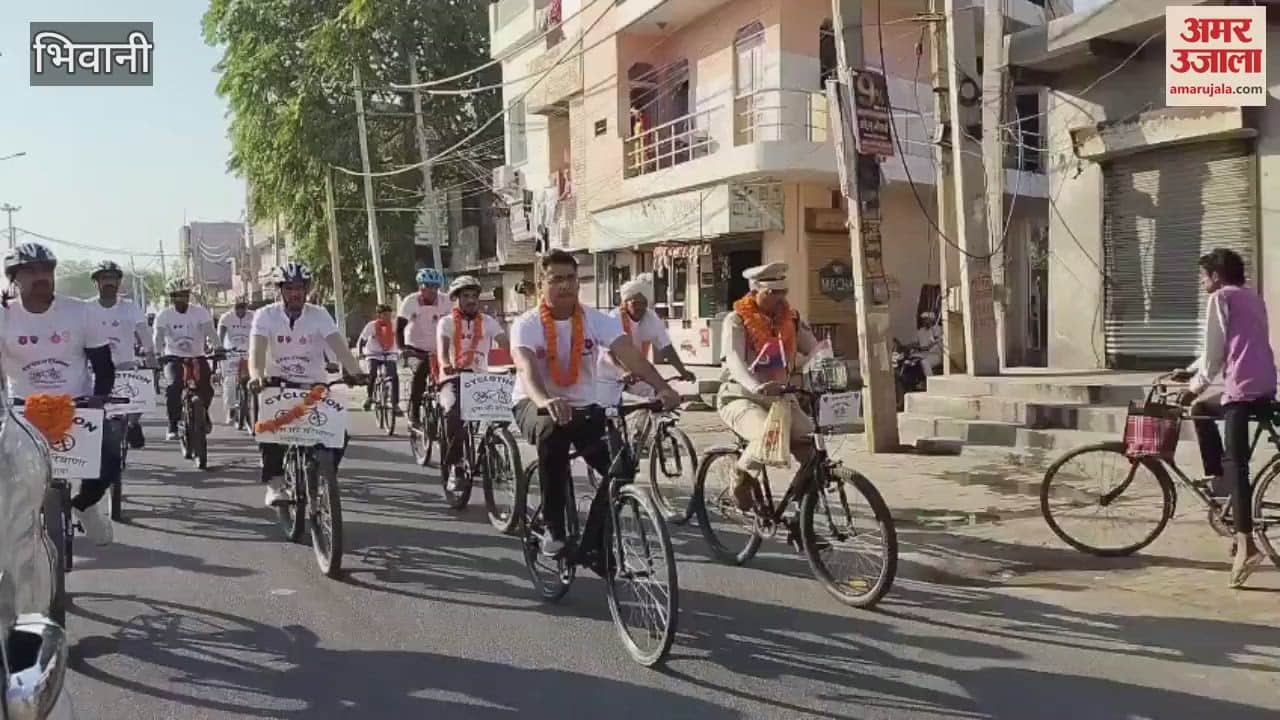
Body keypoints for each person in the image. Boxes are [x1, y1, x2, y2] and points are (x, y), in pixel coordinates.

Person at [511, 250, 679, 557]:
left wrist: (662, 388)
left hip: (585, 408)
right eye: (556, 279)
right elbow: (526, 367)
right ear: (540, 284)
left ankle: (595, 544)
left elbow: (630, 355)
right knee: (553, 434)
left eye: (571, 279)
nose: (565, 286)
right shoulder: (527, 323)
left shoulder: (595, 320)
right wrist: (545, 399)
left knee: (621, 466)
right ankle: (554, 527)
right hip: (533, 402)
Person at [1171, 248, 1276, 588]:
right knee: (1203, 410)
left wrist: (1194, 387)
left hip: (1242, 391)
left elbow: (1215, 353)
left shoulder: (1219, 298)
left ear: (1216, 276)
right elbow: (1226, 343)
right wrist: (1189, 372)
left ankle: (1245, 545)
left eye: (1203, 276)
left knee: (1237, 466)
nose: (1202, 281)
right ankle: (1223, 486)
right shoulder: (1251, 297)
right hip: (1265, 385)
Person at [0, 243, 117, 545]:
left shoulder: (80, 312)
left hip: (76, 406)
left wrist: (99, 399)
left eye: (46, 270)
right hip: (20, 409)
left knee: (110, 458)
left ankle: (86, 506)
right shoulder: (4, 316)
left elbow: (103, 366)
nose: (41, 276)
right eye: (30, 271)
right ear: (14, 278)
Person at [248, 263, 366, 506]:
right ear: (280, 290)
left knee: (339, 435)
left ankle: (323, 475)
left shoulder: (319, 314)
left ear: (307, 289)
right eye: (290, 288)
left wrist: (356, 372)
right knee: (270, 430)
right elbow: (257, 351)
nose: (296, 293)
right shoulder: (265, 316)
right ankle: (276, 483)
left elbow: (339, 346)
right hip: (276, 384)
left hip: (314, 384)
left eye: (300, 288)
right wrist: (257, 375)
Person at [717, 262, 823, 511]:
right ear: (754, 291)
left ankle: (802, 517)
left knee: (814, 449)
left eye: (782, 292)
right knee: (768, 433)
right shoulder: (736, 319)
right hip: (741, 396)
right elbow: (733, 359)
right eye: (771, 293)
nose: (779, 298)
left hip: (781, 398)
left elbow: (815, 348)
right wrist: (755, 385)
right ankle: (740, 476)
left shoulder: (792, 319)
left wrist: (824, 362)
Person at [436, 275, 509, 491]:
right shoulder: (446, 322)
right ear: (456, 299)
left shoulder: (488, 322)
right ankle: (455, 466)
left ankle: (492, 448)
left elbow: (506, 344)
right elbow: (442, 351)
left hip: (480, 378)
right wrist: (447, 363)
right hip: (453, 377)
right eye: (465, 296)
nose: (471, 301)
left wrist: (521, 359)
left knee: (503, 410)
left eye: (474, 296)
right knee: (454, 414)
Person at [599, 272, 696, 407]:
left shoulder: (651, 318)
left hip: (637, 374)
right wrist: (623, 372)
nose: (640, 307)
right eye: (635, 303)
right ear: (625, 303)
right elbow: (607, 353)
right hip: (609, 373)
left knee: (657, 400)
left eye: (643, 303)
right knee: (610, 412)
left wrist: (683, 371)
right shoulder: (613, 318)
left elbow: (666, 348)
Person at [87, 260, 154, 449]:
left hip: (125, 365)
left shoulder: (130, 307)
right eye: (104, 278)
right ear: (96, 282)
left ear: (119, 282)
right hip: (94, 368)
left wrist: (150, 354)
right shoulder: (85, 308)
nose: (109, 282)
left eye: (113, 278)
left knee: (142, 392)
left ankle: (133, 424)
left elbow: (143, 331)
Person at [153, 278, 219, 441]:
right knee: (173, 386)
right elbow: (158, 337)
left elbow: (211, 332)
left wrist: (218, 347)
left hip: (197, 356)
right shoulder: (164, 315)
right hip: (173, 357)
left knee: (207, 387)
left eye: (185, 295)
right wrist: (156, 354)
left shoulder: (200, 312)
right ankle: (173, 424)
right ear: (171, 297)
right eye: (177, 296)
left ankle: (203, 413)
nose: (182, 299)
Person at [398, 267, 450, 428]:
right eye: (428, 286)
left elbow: (453, 324)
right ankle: (414, 411)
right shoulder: (411, 301)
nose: (433, 291)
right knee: (421, 369)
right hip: (415, 348)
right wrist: (402, 348)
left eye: (436, 287)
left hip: (439, 349)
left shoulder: (445, 301)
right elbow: (400, 326)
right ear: (421, 287)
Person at [217, 297, 254, 425]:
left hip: (249, 351)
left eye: (243, 306)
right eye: (237, 307)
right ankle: (231, 409)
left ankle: (254, 407)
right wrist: (219, 348)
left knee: (254, 379)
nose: (240, 310)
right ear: (233, 307)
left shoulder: (254, 316)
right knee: (230, 381)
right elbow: (220, 335)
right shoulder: (226, 317)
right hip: (230, 352)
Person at [357, 303, 400, 413]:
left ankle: (395, 404)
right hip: (373, 354)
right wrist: (360, 352)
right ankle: (369, 397)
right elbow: (362, 340)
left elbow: (401, 339)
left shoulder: (394, 325)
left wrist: (402, 351)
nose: (388, 317)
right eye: (385, 315)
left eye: (389, 315)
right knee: (372, 373)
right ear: (379, 315)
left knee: (394, 376)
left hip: (389, 353)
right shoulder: (371, 326)